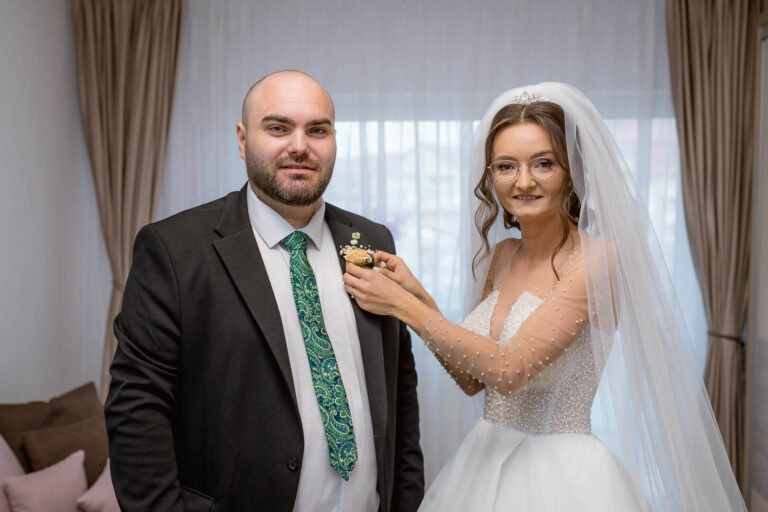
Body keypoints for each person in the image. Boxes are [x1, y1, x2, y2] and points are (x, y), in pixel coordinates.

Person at [343, 83, 746, 511]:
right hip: (483, 461)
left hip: (562, 476)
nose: (523, 181)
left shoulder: (596, 259)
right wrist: (415, 293)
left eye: (543, 163)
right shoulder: (504, 254)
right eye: (506, 166)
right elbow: (472, 378)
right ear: (491, 176)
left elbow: (510, 368)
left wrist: (401, 306)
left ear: (570, 172)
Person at [105, 70, 424, 511]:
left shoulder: (371, 241)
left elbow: (399, 389)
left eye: (318, 130)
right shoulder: (175, 251)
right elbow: (137, 410)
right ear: (242, 140)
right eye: (278, 128)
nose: (300, 146)